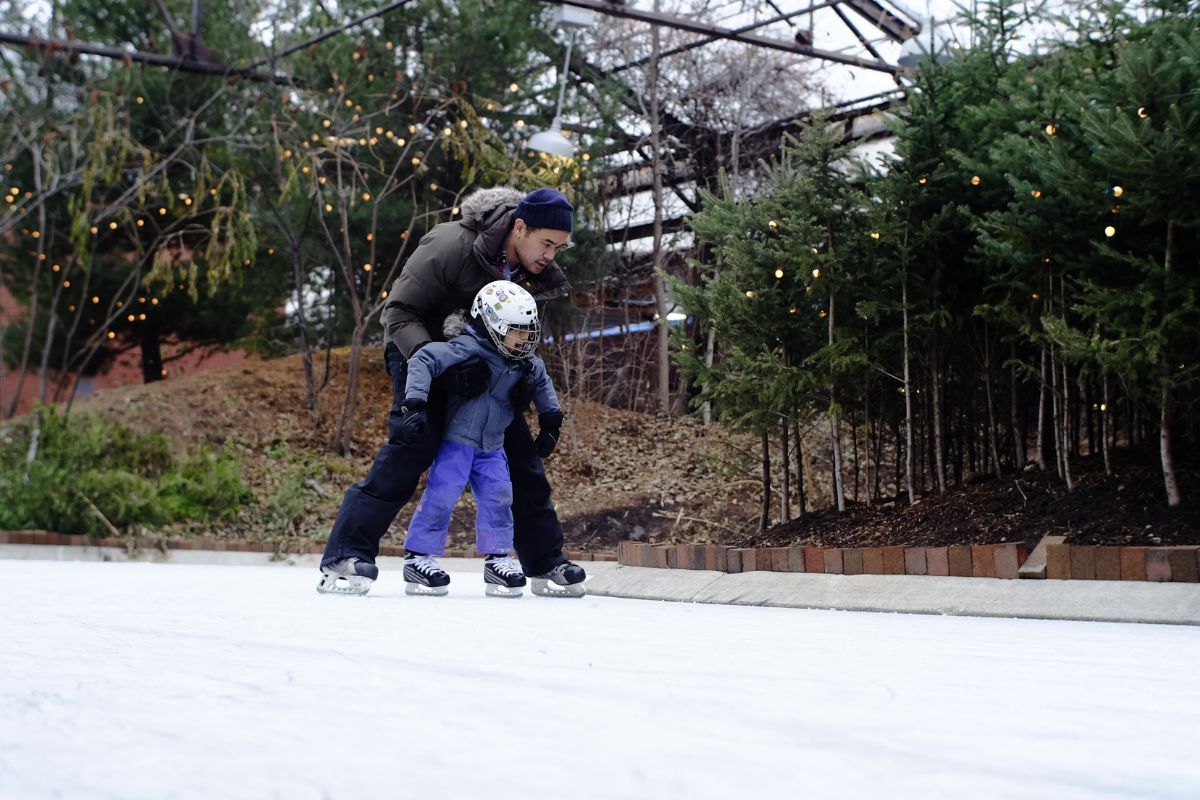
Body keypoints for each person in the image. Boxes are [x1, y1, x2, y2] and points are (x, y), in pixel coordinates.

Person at [316, 186, 587, 597]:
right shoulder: (451, 244)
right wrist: (441, 369)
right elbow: (399, 313)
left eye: (560, 247)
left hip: (488, 371)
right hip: (419, 354)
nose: (551, 254)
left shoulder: (530, 270)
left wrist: (517, 385)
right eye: (547, 242)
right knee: (413, 445)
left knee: (520, 456)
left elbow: (517, 332)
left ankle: (545, 561)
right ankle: (346, 553)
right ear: (519, 227)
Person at [396, 281, 563, 598]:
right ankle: (418, 557)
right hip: (457, 442)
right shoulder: (466, 348)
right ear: (494, 326)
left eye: (528, 331)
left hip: (493, 446)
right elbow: (423, 360)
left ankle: (498, 559)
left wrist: (551, 422)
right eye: (516, 331)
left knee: (501, 497)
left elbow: (542, 379)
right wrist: (414, 404)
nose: (524, 338)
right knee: (442, 496)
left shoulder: (523, 361)